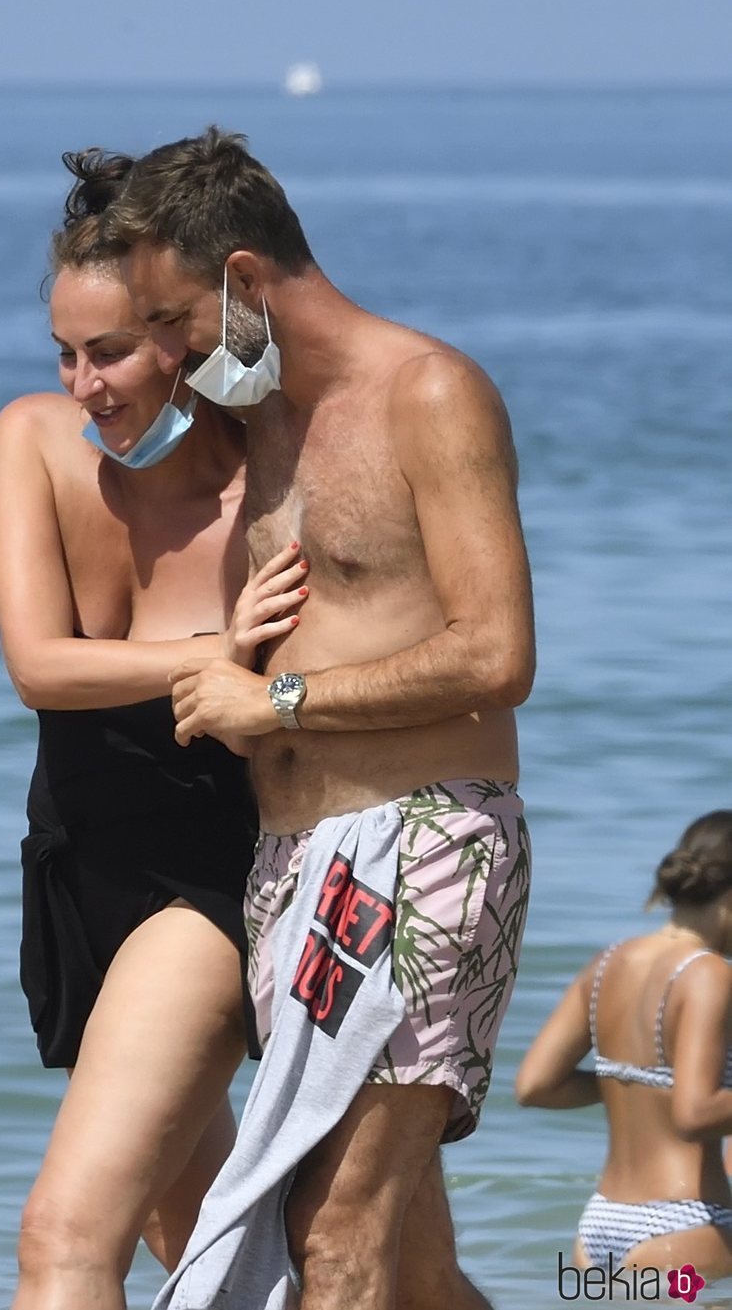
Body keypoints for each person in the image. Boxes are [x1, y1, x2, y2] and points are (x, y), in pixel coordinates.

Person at [103, 128, 535, 1310]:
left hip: (423, 841)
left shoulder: (428, 393)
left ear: (244, 279)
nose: (167, 353)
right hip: (290, 865)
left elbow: (496, 656)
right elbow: (103, 426)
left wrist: (273, 696)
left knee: (332, 1230)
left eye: (176, 321)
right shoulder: (259, 421)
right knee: (409, 1265)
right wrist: (27, 443)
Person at [0, 148, 310, 1310]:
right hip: (79, 871)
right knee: (229, 1256)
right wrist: (207, 651)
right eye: (63, 354)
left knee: (65, 1238)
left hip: (206, 880)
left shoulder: (266, 488)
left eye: (110, 351)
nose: (82, 384)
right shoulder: (27, 438)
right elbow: (40, 668)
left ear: (184, 337)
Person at [516, 810, 732, 1279]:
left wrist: (630, 1081)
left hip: (599, 1228)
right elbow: (695, 1115)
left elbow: (535, 1086)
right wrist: (672, 1091)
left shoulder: (609, 961)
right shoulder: (710, 974)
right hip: (687, 1224)